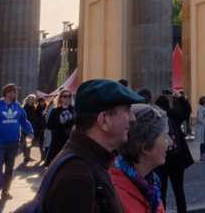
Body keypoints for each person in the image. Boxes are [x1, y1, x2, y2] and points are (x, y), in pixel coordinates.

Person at [35, 78, 144, 212]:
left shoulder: (90, 161)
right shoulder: (77, 177)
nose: (133, 118)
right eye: (127, 110)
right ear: (104, 120)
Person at [110, 103, 170, 213]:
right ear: (145, 147)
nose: (169, 143)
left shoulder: (150, 184)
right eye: (165, 136)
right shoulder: (116, 194)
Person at [154, 90, 194, 213]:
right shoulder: (173, 115)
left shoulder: (155, 118)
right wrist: (180, 97)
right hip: (177, 159)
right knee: (179, 190)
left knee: (161, 191)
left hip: (162, 160)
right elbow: (187, 111)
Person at [45, 89, 76, 166]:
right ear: (60, 98)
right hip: (57, 143)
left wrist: (68, 122)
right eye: (65, 96)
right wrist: (60, 123)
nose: (67, 98)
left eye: (69, 96)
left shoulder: (74, 110)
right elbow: (49, 125)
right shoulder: (55, 111)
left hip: (70, 142)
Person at [22, 94, 41, 164]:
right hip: (26, 127)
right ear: (28, 99)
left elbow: (35, 118)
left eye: (33, 99)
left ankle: (27, 156)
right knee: (26, 142)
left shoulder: (34, 108)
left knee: (29, 142)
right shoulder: (25, 108)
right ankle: (26, 157)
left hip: (32, 127)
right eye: (31, 99)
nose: (32, 100)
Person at [196, 96, 205, 161]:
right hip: (202, 127)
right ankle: (202, 155)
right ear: (204, 102)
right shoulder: (201, 109)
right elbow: (199, 118)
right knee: (203, 142)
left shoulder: (204, 108)